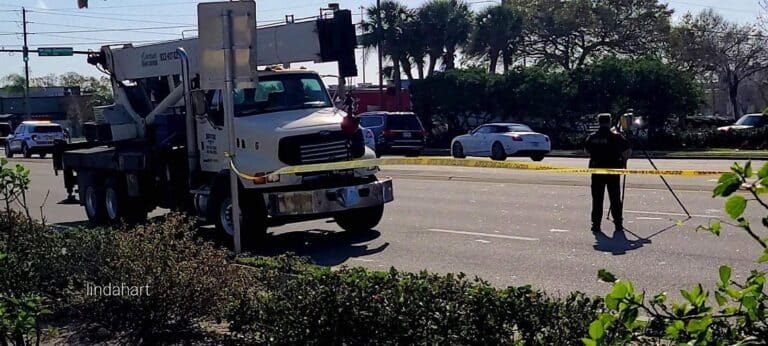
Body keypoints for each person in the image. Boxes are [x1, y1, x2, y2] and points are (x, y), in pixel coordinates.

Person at [585, 113, 631, 233]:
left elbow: (586, 151)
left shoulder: (592, 136)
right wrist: (624, 160)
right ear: (609, 121)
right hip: (613, 171)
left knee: (597, 199)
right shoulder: (616, 137)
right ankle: (618, 224)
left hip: (597, 171)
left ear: (599, 122)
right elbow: (627, 151)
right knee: (615, 199)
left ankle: (596, 225)